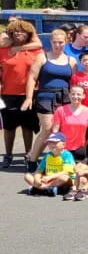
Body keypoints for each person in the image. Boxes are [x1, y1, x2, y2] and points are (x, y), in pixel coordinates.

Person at [23, 28, 77, 170]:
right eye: (55, 42)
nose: (57, 45)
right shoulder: (42, 57)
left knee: (62, 131)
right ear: (50, 42)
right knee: (48, 130)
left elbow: (75, 82)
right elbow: (32, 77)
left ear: (66, 42)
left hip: (64, 98)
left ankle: (58, 161)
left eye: (60, 42)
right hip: (45, 97)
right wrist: (29, 97)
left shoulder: (71, 61)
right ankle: (32, 160)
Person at [0, 19, 42, 166]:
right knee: (9, 127)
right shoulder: (3, 49)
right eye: (15, 31)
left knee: (27, 126)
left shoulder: (35, 50)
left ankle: (28, 154)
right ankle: (8, 155)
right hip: (7, 94)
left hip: (30, 93)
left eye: (22, 31)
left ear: (28, 34)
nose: (18, 33)